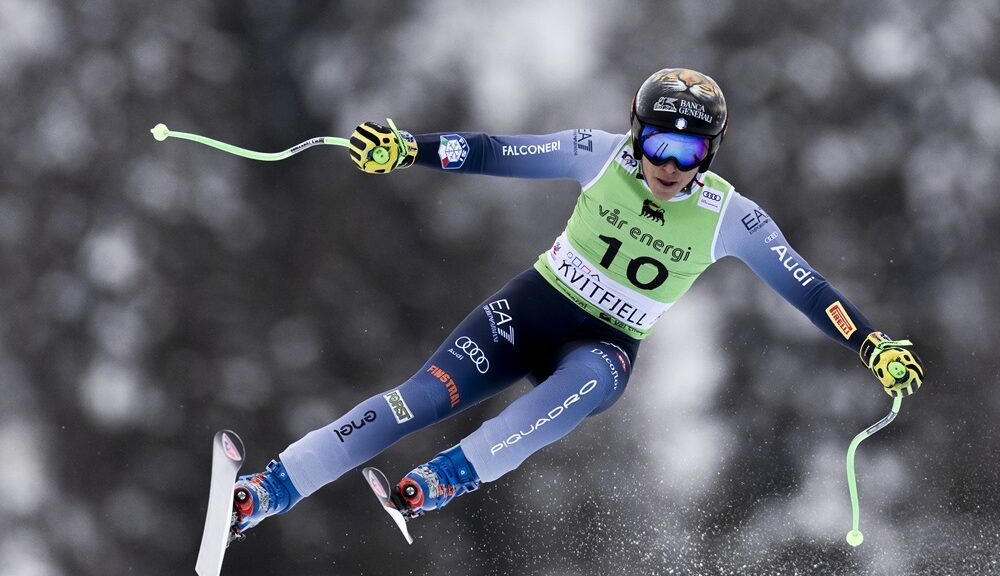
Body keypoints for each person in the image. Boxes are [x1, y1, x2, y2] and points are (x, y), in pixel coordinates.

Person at [228, 68, 924, 539]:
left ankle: (444, 480)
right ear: (634, 130)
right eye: (657, 142)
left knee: (582, 387)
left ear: (714, 152)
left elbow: (804, 285)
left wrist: (870, 345)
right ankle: (269, 490)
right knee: (416, 401)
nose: (669, 167)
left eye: (690, 152)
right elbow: (498, 152)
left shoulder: (730, 217)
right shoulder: (597, 155)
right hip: (530, 310)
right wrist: (409, 149)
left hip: (605, 347)